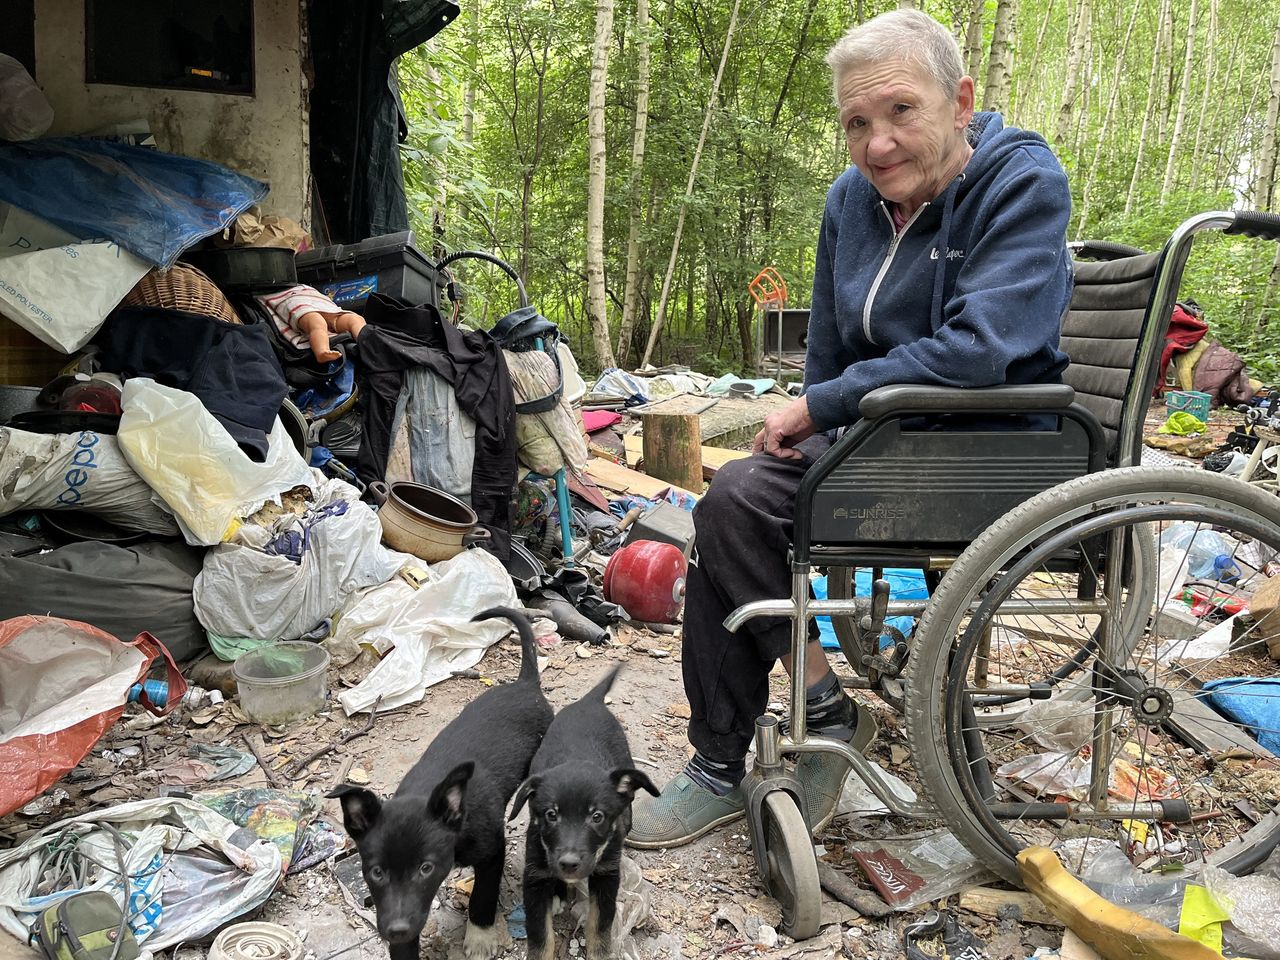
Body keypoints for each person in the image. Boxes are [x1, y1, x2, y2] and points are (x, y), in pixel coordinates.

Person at [626, 8, 1073, 849]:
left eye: (901, 111)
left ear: (961, 101)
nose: (878, 145)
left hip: (988, 449)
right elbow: (829, 351)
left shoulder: (1021, 183)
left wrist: (826, 408)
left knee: (739, 506)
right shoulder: (852, 201)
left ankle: (781, 736)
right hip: (881, 442)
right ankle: (778, 732)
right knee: (732, 500)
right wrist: (810, 421)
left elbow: (982, 351)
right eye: (857, 123)